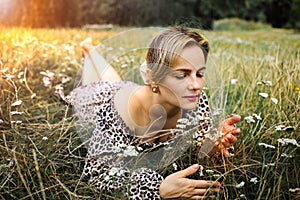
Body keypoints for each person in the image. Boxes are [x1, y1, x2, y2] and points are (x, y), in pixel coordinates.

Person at [65, 27, 241, 199]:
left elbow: (199, 144)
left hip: (133, 90)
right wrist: (157, 188)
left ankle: (89, 50)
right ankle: (88, 51)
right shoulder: (116, 113)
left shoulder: (193, 100)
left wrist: (214, 144)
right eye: (182, 75)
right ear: (153, 77)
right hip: (97, 98)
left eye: (199, 74)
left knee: (117, 82)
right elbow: (95, 175)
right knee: (101, 84)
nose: (196, 85)